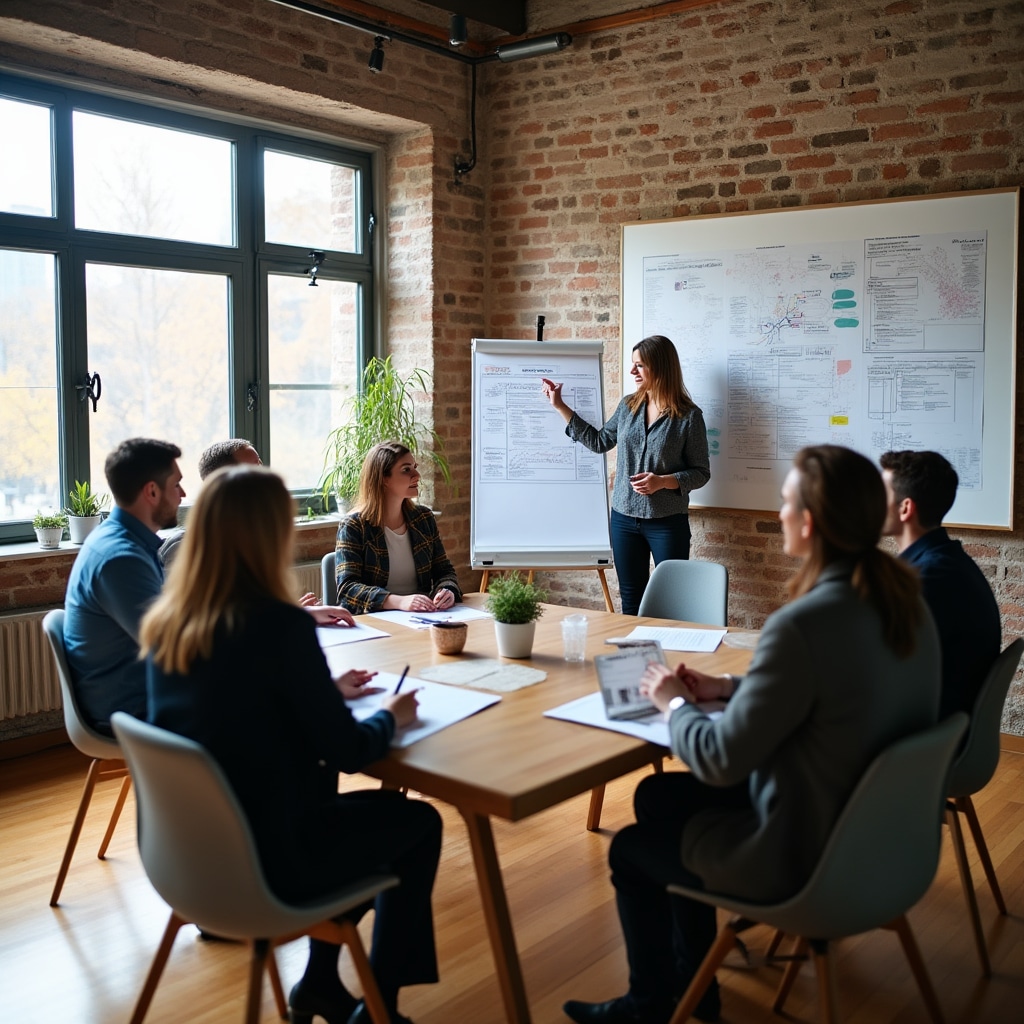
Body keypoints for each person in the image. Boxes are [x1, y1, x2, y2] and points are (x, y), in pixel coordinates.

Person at [563, 445, 940, 1024]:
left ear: (810, 522)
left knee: (631, 850)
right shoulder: (905, 604)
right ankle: (697, 988)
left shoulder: (804, 623)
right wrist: (726, 691)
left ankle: (649, 1005)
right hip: (879, 841)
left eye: (786, 502)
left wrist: (673, 704)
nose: (781, 512)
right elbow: (827, 697)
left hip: (804, 852)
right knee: (657, 797)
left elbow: (719, 761)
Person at [141, 465, 441, 1024]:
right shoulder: (280, 627)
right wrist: (392, 718)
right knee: (418, 827)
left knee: (379, 817)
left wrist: (319, 689)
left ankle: (322, 985)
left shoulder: (171, 625)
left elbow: (237, 703)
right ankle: (381, 1007)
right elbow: (351, 752)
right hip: (269, 861)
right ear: (267, 537)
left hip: (186, 857)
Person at [541, 335, 710, 615]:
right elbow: (599, 441)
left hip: (667, 523)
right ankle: (634, 658)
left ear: (660, 368)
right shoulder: (628, 406)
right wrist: (560, 405)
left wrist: (664, 482)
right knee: (632, 602)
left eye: (640, 365)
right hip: (624, 520)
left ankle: (668, 658)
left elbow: (701, 472)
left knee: (673, 603)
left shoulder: (689, 417)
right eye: (633, 365)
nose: (632, 372)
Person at [64, 438, 185, 735]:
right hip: (132, 707)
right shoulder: (121, 559)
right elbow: (172, 646)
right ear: (152, 491)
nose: (183, 494)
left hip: (134, 691)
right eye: (176, 485)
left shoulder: (122, 540)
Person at [880, 449, 1001, 719]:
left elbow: (877, 663)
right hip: (941, 724)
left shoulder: (928, 579)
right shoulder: (947, 561)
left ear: (905, 508)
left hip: (925, 736)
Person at [335, 440, 462, 613]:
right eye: (406, 470)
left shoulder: (423, 518)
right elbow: (348, 589)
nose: (417, 475)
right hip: (376, 622)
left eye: (414, 467)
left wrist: (448, 590)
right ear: (383, 479)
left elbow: (444, 571)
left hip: (423, 618)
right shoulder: (354, 526)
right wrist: (399, 602)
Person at [159, 438, 261, 566]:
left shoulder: (261, 539)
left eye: (260, 466)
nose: (265, 478)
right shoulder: (183, 549)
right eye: (254, 471)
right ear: (220, 484)